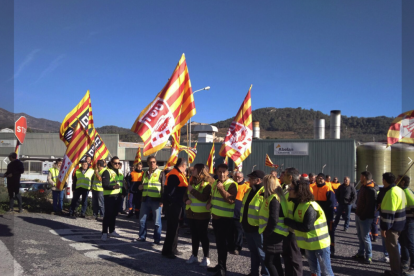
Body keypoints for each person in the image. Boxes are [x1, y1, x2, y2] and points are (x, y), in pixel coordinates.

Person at [284, 179, 334, 276]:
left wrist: (287, 222)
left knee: (326, 271)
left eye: (291, 188)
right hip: (309, 244)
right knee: (314, 271)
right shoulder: (297, 204)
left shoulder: (310, 206)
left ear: (299, 190)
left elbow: (306, 227)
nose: (289, 190)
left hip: (320, 244)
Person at [206, 163, 238, 276]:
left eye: (224, 172)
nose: (222, 174)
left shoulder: (232, 184)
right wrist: (209, 202)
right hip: (215, 217)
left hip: (225, 219)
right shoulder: (215, 182)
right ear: (216, 172)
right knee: (219, 245)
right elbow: (213, 195)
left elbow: (231, 200)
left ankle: (222, 270)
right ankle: (220, 265)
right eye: (220, 172)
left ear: (228, 172)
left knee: (222, 245)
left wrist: (221, 189)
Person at [239, 170, 269, 276]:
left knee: (263, 254)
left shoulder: (265, 192)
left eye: (251, 179)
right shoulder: (250, 190)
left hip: (259, 229)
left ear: (258, 180)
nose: (249, 180)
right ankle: (254, 273)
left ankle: (266, 274)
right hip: (248, 227)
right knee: (253, 252)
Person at [258, 175, 289, 276]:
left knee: (269, 262)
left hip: (274, 233)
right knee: (275, 261)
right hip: (277, 232)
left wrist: (267, 232)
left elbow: (274, 219)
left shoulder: (274, 199)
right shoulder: (277, 197)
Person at [184, 163, 213, 267]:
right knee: (194, 236)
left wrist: (192, 190)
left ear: (201, 170)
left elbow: (204, 198)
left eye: (195, 169)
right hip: (191, 213)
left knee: (203, 236)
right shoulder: (192, 180)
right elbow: (185, 193)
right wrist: (186, 199)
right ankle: (194, 255)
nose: (192, 171)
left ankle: (206, 257)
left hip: (202, 214)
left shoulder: (208, 183)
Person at [135, 156, 165, 244]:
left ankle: (157, 239)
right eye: (150, 162)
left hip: (156, 200)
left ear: (156, 163)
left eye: (154, 162)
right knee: (142, 220)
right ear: (147, 163)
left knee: (157, 222)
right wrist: (140, 187)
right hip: (145, 199)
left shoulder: (161, 173)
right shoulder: (145, 173)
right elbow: (142, 185)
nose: (152, 163)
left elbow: (163, 188)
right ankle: (142, 236)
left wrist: (162, 200)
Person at [380, 172, 406, 276]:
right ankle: (396, 270)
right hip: (400, 223)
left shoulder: (391, 193)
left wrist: (384, 228)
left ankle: (395, 273)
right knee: (395, 249)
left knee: (393, 250)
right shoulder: (399, 190)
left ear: (384, 181)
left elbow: (388, 214)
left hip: (392, 227)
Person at [162, 158, 188, 258]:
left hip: (176, 204)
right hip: (173, 205)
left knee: (175, 228)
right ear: (184, 165)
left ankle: (173, 248)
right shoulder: (174, 174)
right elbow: (170, 192)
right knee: (172, 228)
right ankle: (168, 251)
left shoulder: (179, 173)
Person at [281, 167, 303, 276]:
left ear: (290, 177)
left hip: (294, 230)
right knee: (286, 256)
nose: (282, 176)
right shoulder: (286, 189)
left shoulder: (297, 191)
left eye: (284, 175)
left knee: (295, 258)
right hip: (287, 228)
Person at [353, 171, 377, 264]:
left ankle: (369, 256)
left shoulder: (371, 190)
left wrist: (363, 216)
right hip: (359, 215)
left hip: (365, 217)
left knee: (366, 237)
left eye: (361, 176)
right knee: (360, 236)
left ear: (364, 177)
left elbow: (369, 206)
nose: (360, 177)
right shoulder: (363, 187)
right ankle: (360, 253)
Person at [311, 173, 336, 257]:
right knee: (317, 231)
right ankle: (317, 248)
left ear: (324, 179)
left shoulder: (327, 188)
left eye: (321, 178)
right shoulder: (313, 187)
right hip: (315, 214)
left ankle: (331, 249)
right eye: (318, 178)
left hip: (327, 214)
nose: (319, 180)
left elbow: (332, 202)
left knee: (329, 231)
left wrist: (326, 212)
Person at [397, 175, 414, 275]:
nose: (396, 181)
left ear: (403, 182)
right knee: (403, 243)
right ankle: (404, 262)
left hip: (409, 221)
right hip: (404, 221)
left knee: (410, 244)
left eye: (398, 180)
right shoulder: (402, 191)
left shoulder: (407, 191)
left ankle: (413, 267)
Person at [101, 158, 121, 241]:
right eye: (115, 163)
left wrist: (123, 193)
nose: (117, 164)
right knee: (108, 215)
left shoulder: (119, 172)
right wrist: (113, 187)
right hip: (109, 196)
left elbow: (121, 183)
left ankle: (112, 231)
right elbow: (104, 185)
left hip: (117, 196)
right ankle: (104, 233)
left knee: (114, 215)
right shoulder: (107, 171)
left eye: (118, 163)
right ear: (111, 163)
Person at [232, 171, 249, 254]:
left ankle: (238, 247)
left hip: (239, 213)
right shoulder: (231, 185)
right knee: (231, 230)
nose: (237, 178)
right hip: (230, 212)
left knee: (239, 231)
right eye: (236, 177)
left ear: (243, 178)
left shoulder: (246, 187)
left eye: (239, 177)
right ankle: (231, 245)